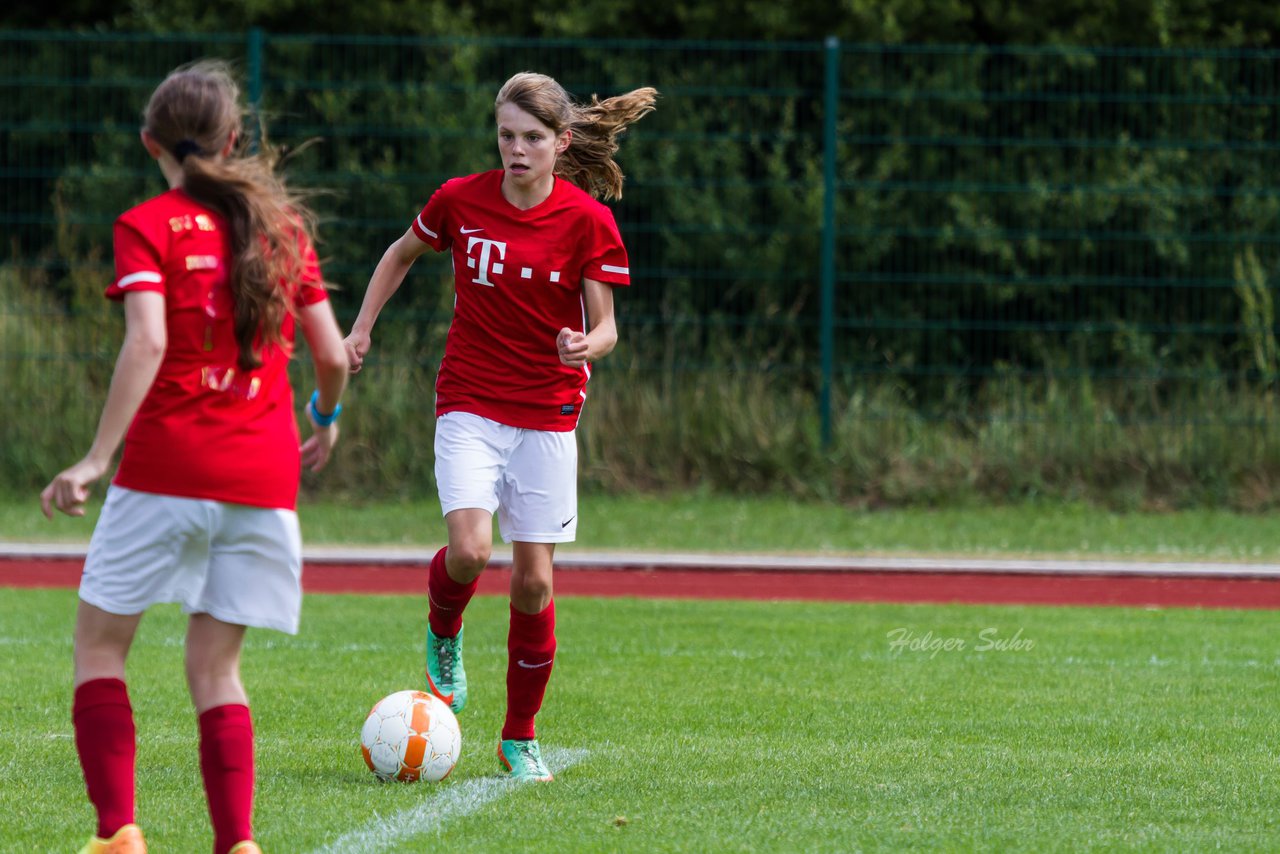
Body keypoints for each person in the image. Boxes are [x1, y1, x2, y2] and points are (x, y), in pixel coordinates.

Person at [40, 60, 349, 854]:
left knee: (101, 648)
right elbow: (333, 355)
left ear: (152, 144)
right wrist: (326, 415)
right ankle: (236, 844)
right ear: (235, 139)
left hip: (164, 472)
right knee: (215, 669)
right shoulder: (282, 227)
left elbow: (148, 340)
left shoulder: (146, 224)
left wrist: (93, 459)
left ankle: (119, 836)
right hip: (263, 479)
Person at [343, 71, 657, 781]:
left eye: (533, 138)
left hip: (547, 413)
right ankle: (444, 631)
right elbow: (399, 254)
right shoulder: (460, 200)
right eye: (507, 135)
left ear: (561, 142)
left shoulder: (587, 222)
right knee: (470, 547)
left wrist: (586, 345)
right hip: (470, 403)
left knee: (535, 585)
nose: (517, 150)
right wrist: (360, 330)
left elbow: (606, 327)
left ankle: (518, 737)